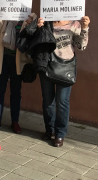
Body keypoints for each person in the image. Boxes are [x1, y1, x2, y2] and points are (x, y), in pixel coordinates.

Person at [30, 16, 90, 147]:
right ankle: (49, 130)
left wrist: (85, 27)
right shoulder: (46, 22)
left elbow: (81, 46)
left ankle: (60, 134)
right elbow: (35, 42)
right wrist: (38, 28)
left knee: (62, 102)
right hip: (47, 65)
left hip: (65, 66)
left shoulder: (74, 23)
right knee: (47, 100)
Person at [0, 14, 36, 134]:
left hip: (18, 61)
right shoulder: (1, 15)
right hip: (2, 59)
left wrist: (30, 25)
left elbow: (32, 38)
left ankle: (15, 121)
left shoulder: (30, 16)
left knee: (16, 92)